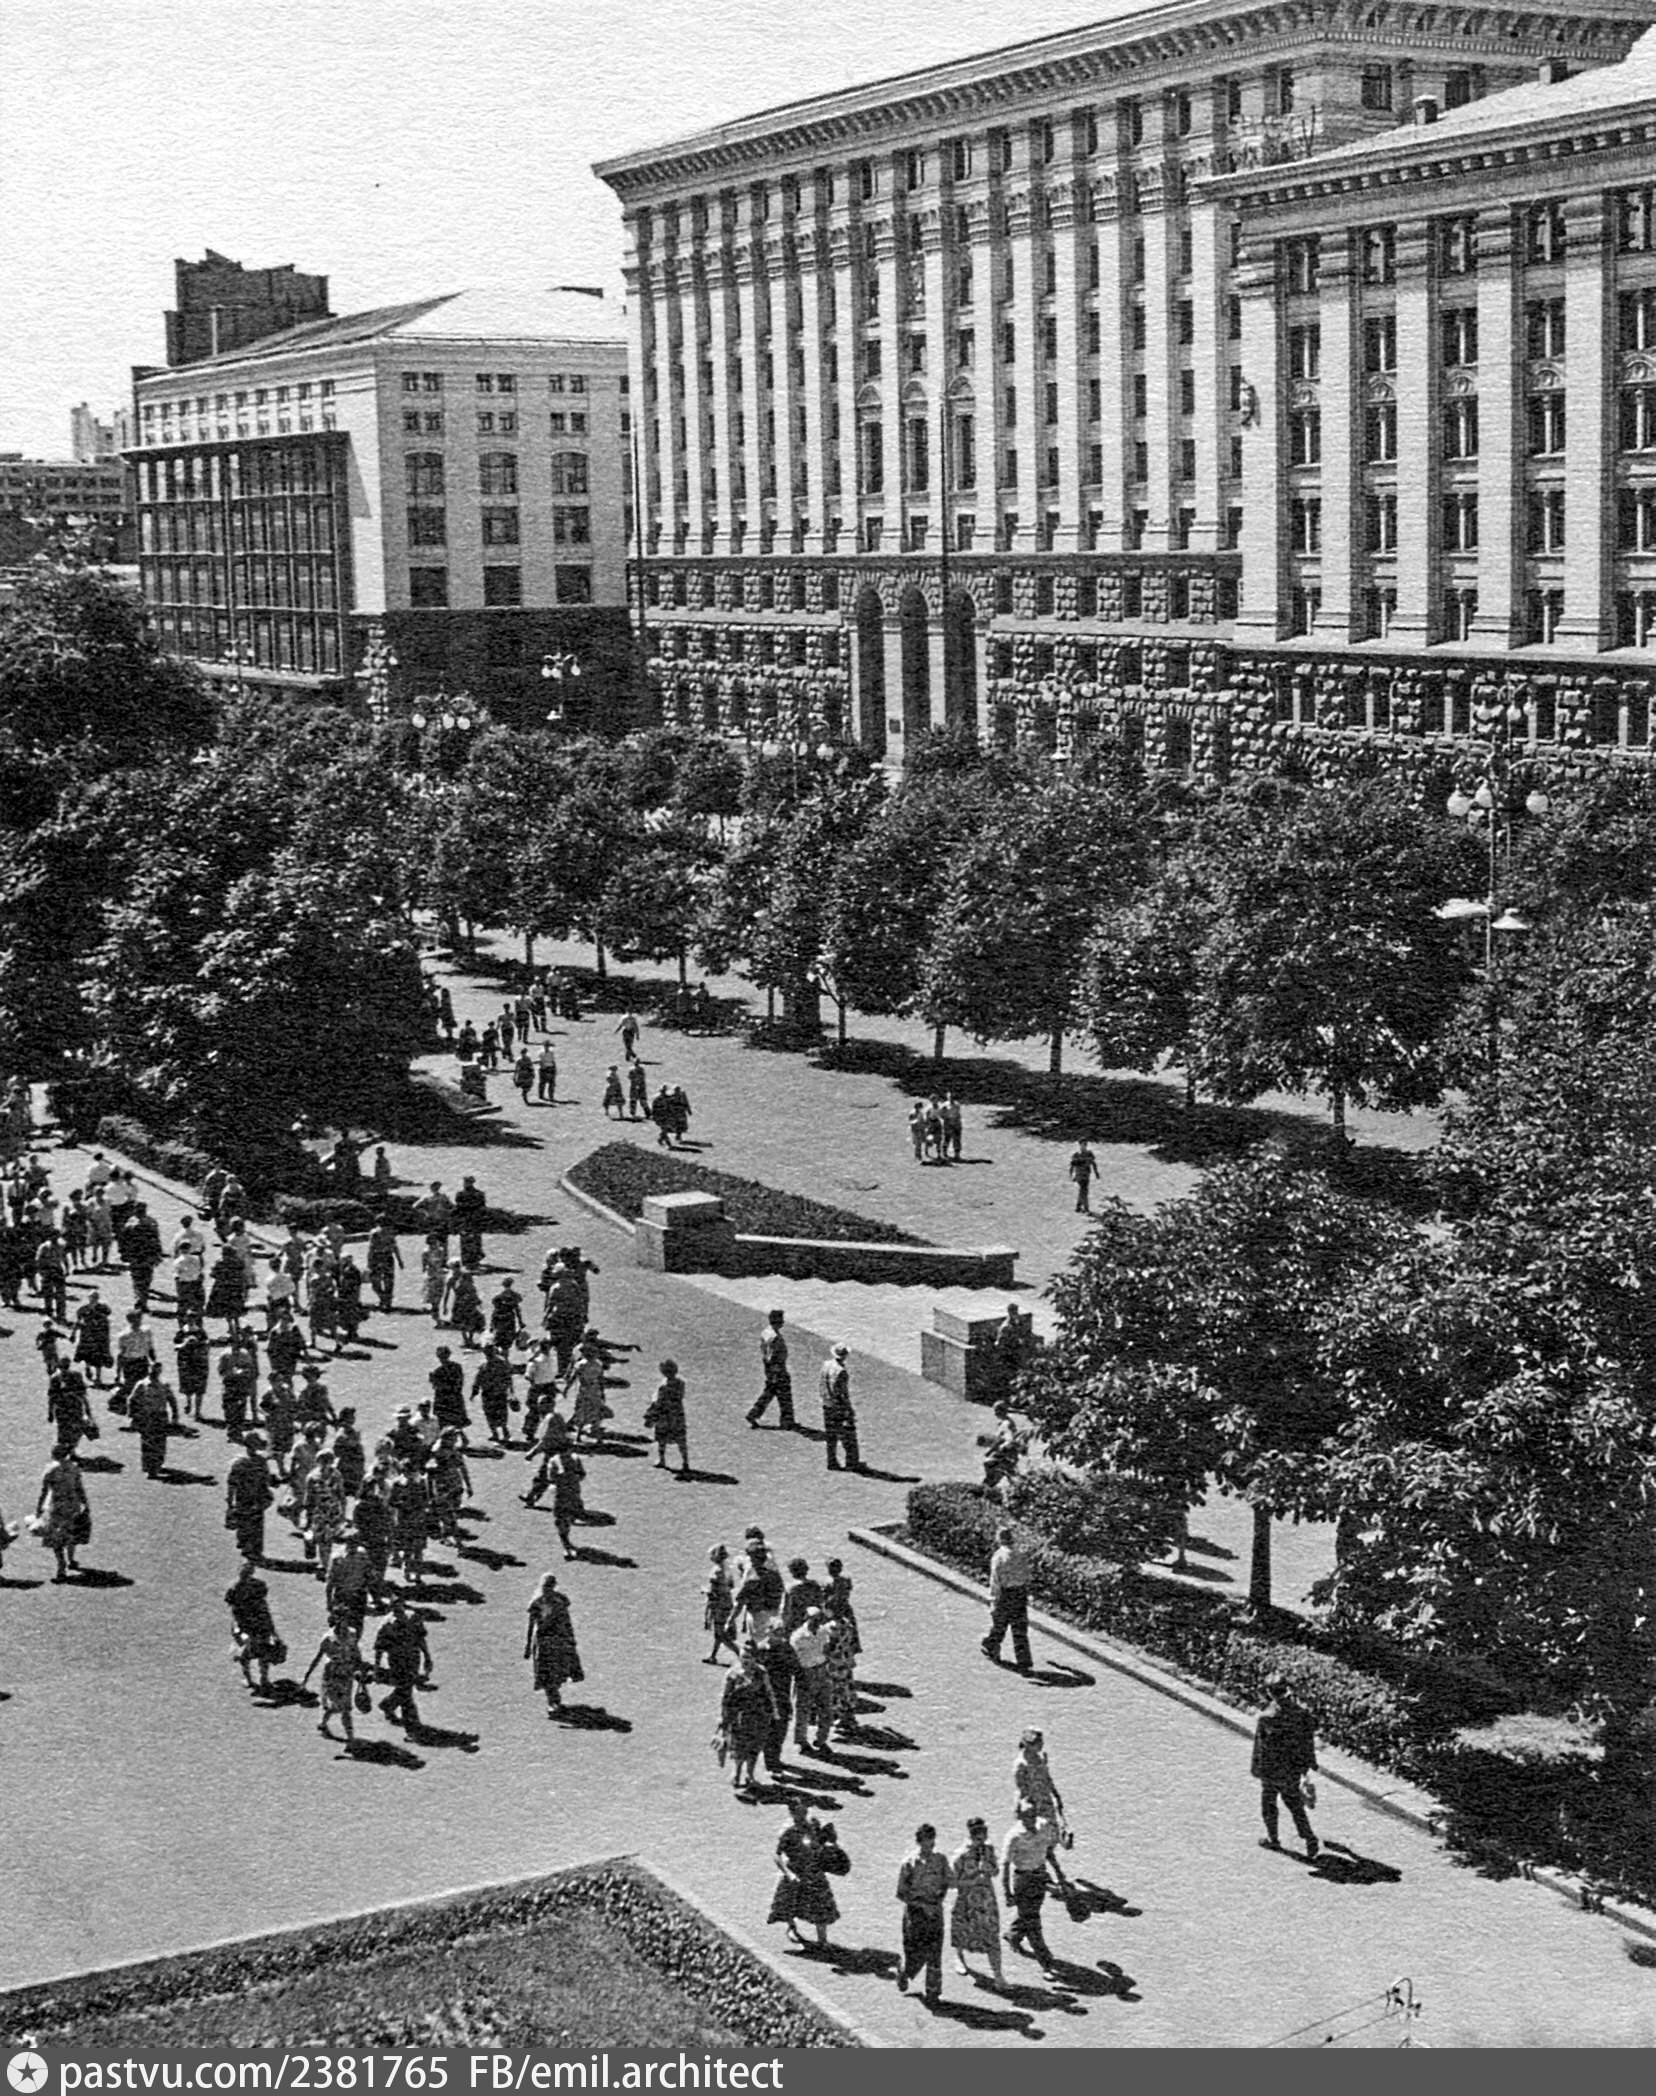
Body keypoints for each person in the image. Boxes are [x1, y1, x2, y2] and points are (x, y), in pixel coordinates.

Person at [1251, 1673, 1321, 1859]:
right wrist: (1309, 1763)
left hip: (1271, 1769)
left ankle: (1273, 1838)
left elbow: (1260, 1747)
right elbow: (1308, 1740)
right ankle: (1309, 1837)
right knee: (1294, 1804)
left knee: (1269, 1804)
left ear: (1269, 1693)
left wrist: (1256, 1768)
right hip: (1292, 1768)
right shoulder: (1302, 1715)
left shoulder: (1266, 1718)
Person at [769, 1796, 839, 1950]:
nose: (803, 1815)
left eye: (805, 1811)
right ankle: (792, 1928)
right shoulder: (787, 1831)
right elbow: (777, 1855)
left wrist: (830, 1839)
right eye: (799, 1812)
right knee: (790, 1905)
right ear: (792, 1813)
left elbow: (821, 1844)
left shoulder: (812, 1826)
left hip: (814, 1871)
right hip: (796, 1872)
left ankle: (822, 1941)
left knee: (822, 1905)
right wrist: (788, 1874)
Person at [895, 1825, 953, 2002]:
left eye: (932, 1839)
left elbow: (949, 1881)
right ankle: (905, 1972)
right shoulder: (909, 1863)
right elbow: (901, 1893)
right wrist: (921, 1905)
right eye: (926, 1840)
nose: (930, 1844)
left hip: (935, 1911)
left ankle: (933, 1992)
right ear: (919, 1841)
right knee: (916, 1952)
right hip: (916, 1913)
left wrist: (940, 1898)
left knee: (935, 1951)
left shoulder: (941, 1860)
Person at [1014, 1730, 1075, 1892]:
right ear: (1029, 1745)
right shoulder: (1021, 1764)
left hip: (1046, 1804)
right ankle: (1056, 1875)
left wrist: (1056, 1795)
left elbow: (1047, 1779)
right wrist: (1027, 1810)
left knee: (1051, 1839)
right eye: (1038, 1743)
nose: (1042, 1745)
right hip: (1034, 1808)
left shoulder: (1039, 1758)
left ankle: (1054, 1873)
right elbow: (1021, 1789)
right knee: (1042, 1841)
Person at [1001, 1802, 1060, 1967]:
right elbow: (1005, 1865)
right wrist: (1007, 1892)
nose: (1031, 1819)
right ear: (1020, 1816)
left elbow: (1049, 1850)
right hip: (1024, 1879)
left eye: (1033, 1814)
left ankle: (1013, 1935)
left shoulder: (1044, 1826)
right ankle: (1045, 1961)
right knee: (1033, 1921)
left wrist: (1057, 1874)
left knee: (1030, 1913)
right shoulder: (1014, 1836)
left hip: (1040, 1874)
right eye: (1027, 1816)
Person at [719, 1640, 779, 1793]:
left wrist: (774, 1711)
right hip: (739, 1716)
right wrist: (723, 1717)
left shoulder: (761, 1672)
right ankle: (737, 1773)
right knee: (739, 1746)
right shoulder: (733, 1674)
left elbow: (769, 1692)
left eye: (749, 1657)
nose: (746, 1660)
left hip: (758, 1715)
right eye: (744, 1657)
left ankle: (750, 1775)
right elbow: (725, 1697)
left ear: (755, 1658)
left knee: (755, 1746)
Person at [303, 1617, 370, 1750]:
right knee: (341, 1707)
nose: (346, 1625)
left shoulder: (352, 1633)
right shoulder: (328, 1639)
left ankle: (325, 1724)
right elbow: (318, 1657)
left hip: (347, 1676)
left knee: (342, 1707)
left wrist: (360, 1670)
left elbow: (356, 1653)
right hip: (332, 1677)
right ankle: (349, 1739)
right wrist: (307, 1675)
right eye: (342, 1622)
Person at [950, 1819, 1004, 1983]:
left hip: (986, 1899)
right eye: (978, 1838)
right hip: (967, 1899)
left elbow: (996, 1871)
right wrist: (971, 1881)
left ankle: (998, 1975)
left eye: (984, 1837)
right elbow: (951, 1882)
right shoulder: (961, 1855)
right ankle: (958, 1957)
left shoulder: (988, 1850)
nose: (981, 1842)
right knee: (963, 1931)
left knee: (992, 1934)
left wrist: (990, 1868)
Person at [525, 1572, 583, 1715]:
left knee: (558, 1671)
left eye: (550, 1586)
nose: (548, 1589)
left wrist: (570, 1639)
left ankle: (555, 1699)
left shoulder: (560, 1601)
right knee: (546, 1672)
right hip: (544, 1642)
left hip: (559, 1640)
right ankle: (553, 1701)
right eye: (546, 1587)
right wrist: (528, 1645)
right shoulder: (537, 1603)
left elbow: (566, 1621)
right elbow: (532, 1624)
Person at [374, 1591, 434, 1730]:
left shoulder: (414, 1618)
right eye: (394, 1606)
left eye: (399, 1604)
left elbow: (420, 1638)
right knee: (405, 1690)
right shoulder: (387, 1624)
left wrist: (427, 1656)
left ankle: (388, 1705)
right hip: (397, 1660)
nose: (397, 1607)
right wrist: (377, 1667)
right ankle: (411, 1724)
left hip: (413, 1658)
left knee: (405, 1688)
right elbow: (379, 1647)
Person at [226, 1561, 284, 1693]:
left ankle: (263, 1678)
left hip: (258, 1623)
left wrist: (271, 1629)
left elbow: (263, 1607)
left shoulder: (257, 1586)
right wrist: (238, 1626)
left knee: (263, 1651)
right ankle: (249, 1677)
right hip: (245, 1624)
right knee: (247, 1651)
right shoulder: (235, 1588)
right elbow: (234, 1609)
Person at [982, 1524, 1034, 1673]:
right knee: (1020, 1628)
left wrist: (993, 1598)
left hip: (1005, 1594)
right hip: (1019, 1594)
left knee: (1000, 1624)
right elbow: (1027, 1575)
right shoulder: (1020, 1555)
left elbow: (995, 1580)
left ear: (999, 1539)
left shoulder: (998, 1556)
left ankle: (992, 1646)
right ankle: (1024, 1660)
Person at [34, 1444, 90, 1582]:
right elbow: (79, 1488)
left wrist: (39, 1508)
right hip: (73, 1504)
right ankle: (71, 1559)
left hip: (57, 1505)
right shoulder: (74, 1468)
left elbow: (44, 1490)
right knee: (71, 1531)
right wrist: (85, 1503)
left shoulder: (51, 1470)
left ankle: (61, 1565)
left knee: (56, 1536)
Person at [790, 1607, 834, 1756]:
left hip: (822, 1670)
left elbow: (827, 1647)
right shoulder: (798, 1636)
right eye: (813, 1619)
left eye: (819, 1619)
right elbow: (794, 1658)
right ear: (806, 1618)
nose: (816, 1622)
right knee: (803, 1709)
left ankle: (821, 1739)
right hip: (806, 1672)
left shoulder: (823, 1632)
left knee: (826, 1708)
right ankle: (801, 1741)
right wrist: (800, 1676)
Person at [225, 1434, 274, 1563]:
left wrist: (230, 1502)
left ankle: (247, 1547)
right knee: (255, 1524)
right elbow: (266, 1481)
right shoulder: (260, 1462)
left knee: (246, 1523)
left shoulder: (239, 1463)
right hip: (255, 1498)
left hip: (245, 1498)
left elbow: (232, 1484)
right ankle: (253, 1550)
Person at [747, 1308, 795, 1430]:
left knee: (770, 1391)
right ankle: (787, 1421)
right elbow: (772, 1355)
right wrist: (777, 1370)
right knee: (784, 1394)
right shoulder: (775, 1337)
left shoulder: (766, 1332)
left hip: (770, 1368)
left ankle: (754, 1413)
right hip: (777, 1368)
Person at [128, 1362, 178, 1479]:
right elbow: (132, 1400)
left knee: (160, 1442)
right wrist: (134, 1416)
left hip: (160, 1417)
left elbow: (172, 1400)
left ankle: (157, 1464)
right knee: (148, 1443)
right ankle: (150, 1467)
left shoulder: (164, 1385)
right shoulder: (142, 1385)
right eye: (153, 1370)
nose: (155, 1373)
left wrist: (175, 1415)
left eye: (157, 1370)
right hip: (147, 1417)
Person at [643, 1358, 690, 1475]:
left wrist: (651, 1414)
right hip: (677, 1413)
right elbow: (680, 1397)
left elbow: (658, 1402)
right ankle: (685, 1462)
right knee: (680, 1439)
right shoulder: (681, 1383)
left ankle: (662, 1459)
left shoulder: (663, 1386)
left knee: (661, 1438)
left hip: (664, 1414)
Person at [819, 1344, 861, 1473]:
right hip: (838, 1406)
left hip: (827, 1404)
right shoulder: (841, 1371)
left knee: (831, 1435)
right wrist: (848, 1409)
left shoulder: (826, 1365)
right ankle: (852, 1462)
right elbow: (842, 1393)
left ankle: (831, 1461)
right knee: (848, 1435)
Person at [565, 1333, 611, 1443]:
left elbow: (573, 1378)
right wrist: (602, 1392)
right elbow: (601, 1379)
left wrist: (566, 1388)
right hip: (595, 1390)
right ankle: (598, 1437)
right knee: (595, 1412)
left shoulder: (581, 1365)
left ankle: (578, 1436)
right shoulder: (598, 1365)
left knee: (581, 1412)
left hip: (584, 1391)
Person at [473, 1342, 516, 1446]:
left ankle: (498, 1434)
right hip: (498, 1392)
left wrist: (474, 1392)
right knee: (500, 1413)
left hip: (491, 1393)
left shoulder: (485, 1365)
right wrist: (510, 1390)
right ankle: (502, 1433)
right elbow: (508, 1377)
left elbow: (478, 1380)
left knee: (492, 1414)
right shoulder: (501, 1363)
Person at [69, 1290, 113, 1390]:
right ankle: (88, 1367)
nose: (93, 1300)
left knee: (99, 1357)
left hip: (99, 1337)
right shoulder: (83, 1310)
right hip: (87, 1336)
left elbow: (106, 1320)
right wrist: (73, 1334)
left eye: (95, 1298)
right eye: (92, 1298)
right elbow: (78, 1322)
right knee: (86, 1354)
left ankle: (98, 1377)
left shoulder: (103, 1309)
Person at [704, 1543, 737, 1663]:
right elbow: (731, 1586)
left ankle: (740, 1654)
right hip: (727, 1601)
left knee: (721, 1634)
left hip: (718, 1604)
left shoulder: (716, 1571)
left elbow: (714, 1591)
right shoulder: (727, 1569)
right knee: (720, 1632)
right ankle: (713, 1655)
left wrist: (707, 1592)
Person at [175, 1318, 211, 1423]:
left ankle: (197, 1412)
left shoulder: (201, 1332)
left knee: (200, 1390)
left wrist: (199, 1345)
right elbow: (176, 1346)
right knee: (188, 1388)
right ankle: (189, 1403)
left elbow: (206, 1346)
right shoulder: (182, 1332)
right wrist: (185, 1344)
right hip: (187, 1365)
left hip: (199, 1365)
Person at [430, 1344, 469, 1438]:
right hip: (451, 1398)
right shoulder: (455, 1367)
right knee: (451, 1420)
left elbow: (437, 1386)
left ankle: (458, 1438)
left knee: (449, 1420)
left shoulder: (438, 1371)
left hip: (446, 1398)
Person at [365, 1218, 402, 1314]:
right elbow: (394, 1247)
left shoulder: (378, 1233)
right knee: (385, 1281)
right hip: (384, 1257)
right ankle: (385, 1299)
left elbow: (371, 1248)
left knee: (381, 1281)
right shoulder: (378, 1233)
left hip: (380, 1257)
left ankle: (385, 1299)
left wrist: (369, 1261)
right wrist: (399, 1260)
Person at [445, 1263, 484, 1349]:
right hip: (469, 1307)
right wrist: (478, 1303)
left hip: (459, 1306)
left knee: (462, 1324)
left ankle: (466, 1339)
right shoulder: (470, 1286)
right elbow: (475, 1296)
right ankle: (469, 1339)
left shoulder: (459, 1285)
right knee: (471, 1323)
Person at [454, 1175, 488, 1269]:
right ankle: (466, 1260)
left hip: (474, 1221)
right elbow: (458, 1206)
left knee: (476, 1240)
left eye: (468, 1182)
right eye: (466, 1182)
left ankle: (475, 1259)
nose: (466, 1184)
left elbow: (481, 1207)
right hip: (465, 1221)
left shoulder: (478, 1194)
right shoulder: (460, 1194)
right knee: (465, 1240)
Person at [1067, 1139, 1099, 1215]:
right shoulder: (1076, 1155)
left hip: (1086, 1174)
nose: (1084, 1146)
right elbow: (1072, 1166)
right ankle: (1086, 1208)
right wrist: (1072, 1175)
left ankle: (1078, 1207)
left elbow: (1093, 1163)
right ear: (1080, 1145)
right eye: (1083, 1144)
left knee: (1083, 1190)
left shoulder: (1089, 1154)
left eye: (1085, 1144)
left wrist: (1096, 1173)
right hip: (1079, 1175)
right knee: (1084, 1190)